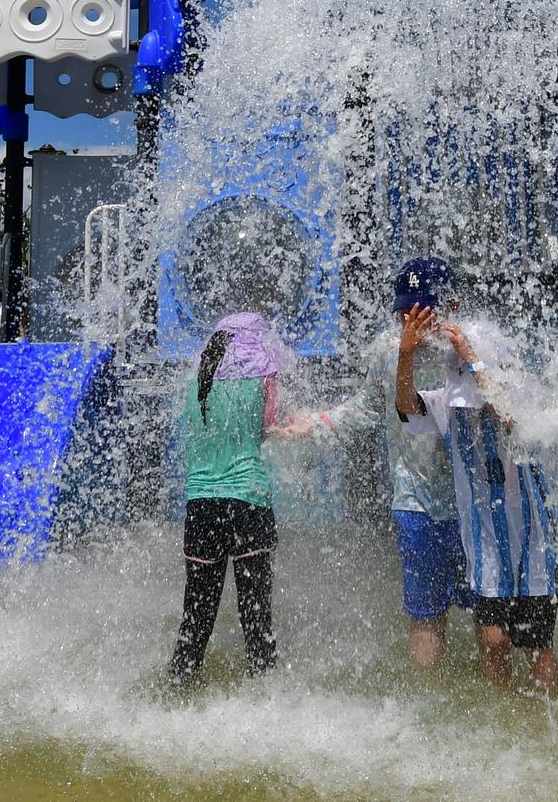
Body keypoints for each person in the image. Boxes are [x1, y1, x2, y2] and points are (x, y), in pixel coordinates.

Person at [394, 302, 558, 696]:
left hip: (533, 544)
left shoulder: (519, 396)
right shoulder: (448, 404)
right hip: (487, 546)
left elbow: (508, 416)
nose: (469, 411)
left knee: (534, 645)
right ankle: (504, 715)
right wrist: (406, 354)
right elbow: (407, 409)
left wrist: (473, 361)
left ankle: (548, 714)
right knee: (494, 641)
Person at [286, 257, 473, 667]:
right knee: (427, 616)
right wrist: (318, 423)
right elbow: (366, 408)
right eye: (404, 312)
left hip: (471, 502)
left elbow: (512, 399)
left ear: (450, 306)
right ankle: (430, 705)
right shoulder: (389, 354)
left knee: (487, 618)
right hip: (416, 504)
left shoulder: (468, 350)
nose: (411, 320)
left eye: (420, 311)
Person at [170, 312, 286, 685]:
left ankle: (178, 691)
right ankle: (266, 699)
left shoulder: (196, 381)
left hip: (201, 505)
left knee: (196, 615)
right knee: (256, 617)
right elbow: (267, 428)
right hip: (249, 502)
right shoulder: (264, 377)